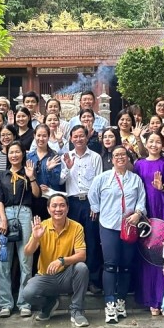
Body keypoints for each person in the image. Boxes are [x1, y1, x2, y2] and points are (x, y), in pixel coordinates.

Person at [89, 146, 147, 324]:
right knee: (111, 264)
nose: (120, 158)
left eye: (123, 155)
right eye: (116, 155)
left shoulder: (135, 179)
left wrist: (138, 213)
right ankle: (110, 303)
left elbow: (141, 199)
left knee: (126, 264)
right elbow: (93, 196)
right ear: (111, 159)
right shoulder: (102, 178)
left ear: (128, 158)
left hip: (129, 226)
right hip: (108, 225)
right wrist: (97, 210)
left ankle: (121, 300)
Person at [22, 195, 90, 326]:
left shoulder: (77, 227)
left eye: (62, 205)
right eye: (54, 206)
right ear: (48, 209)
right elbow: (27, 252)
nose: (58, 209)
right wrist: (35, 238)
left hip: (66, 275)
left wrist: (62, 261)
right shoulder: (42, 226)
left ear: (67, 208)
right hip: (46, 276)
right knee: (28, 293)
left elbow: (82, 255)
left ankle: (77, 311)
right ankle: (49, 304)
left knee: (81, 267)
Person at [0, 142, 41, 317]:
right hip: (6, 213)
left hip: (25, 214)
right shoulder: (2, 175)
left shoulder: (28, 172)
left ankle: (25, 302)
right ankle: (5, 303)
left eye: (17, 152)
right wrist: (2, 218)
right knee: (3, 260)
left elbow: (36, 194)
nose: (14, 155)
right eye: (11, 152)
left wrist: (32, 177)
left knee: (25, 259)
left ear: (23, 154)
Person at [134, 132, 164, 316]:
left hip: (163, 211)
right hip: (145, 212)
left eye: (158, 142)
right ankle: (151, 299)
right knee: (147, 254)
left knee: (163, 254)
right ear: (146, 143)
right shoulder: (139, 164)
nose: (154, 144)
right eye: (151, 141)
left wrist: (162, 187)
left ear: (163, 145)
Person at [60, 125, 103, 293]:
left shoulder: (95, 157)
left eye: (81, 136)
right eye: (75, 136)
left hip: (89, 203)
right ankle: (71, 280)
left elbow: (98, 183)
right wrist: (68, 168)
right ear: (71, 139)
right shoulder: (66, 156)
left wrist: (95, 204)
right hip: (71, 203)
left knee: (91, 241)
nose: (78, 139)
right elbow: (61, 181)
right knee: (71, 241)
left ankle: (92, 280)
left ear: (87, 137)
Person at [27, 124, 64, 194]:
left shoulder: (54, 156)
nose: (41, 139)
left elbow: (56, 182)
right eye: (38, 135)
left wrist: (49, 170)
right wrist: (36, 186)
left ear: (48, 137)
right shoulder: (29, 157)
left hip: (51, 196)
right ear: (34, 136)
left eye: (44, 136)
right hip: (33, 195)